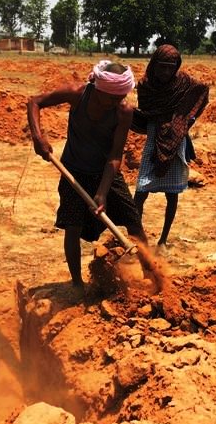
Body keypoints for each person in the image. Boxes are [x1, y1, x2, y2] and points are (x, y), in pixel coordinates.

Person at [27, 60, 148, 288]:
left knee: (134, 222)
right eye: (112, 97)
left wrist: (102, 192)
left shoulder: (123, 111)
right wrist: (38, 137)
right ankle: (77, 284)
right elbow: (35, 102)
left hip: (105, 173)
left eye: (120, 96)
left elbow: (114, 156)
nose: (117, 101)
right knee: (72, 227)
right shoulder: (77, 94)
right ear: (99, 88)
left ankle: (151, 274)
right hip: (73, 171)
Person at [131, 44, 210, 248]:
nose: (166, 72)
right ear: (154, 64)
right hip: (154, 138)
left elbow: (202, 92)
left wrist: (186, 120)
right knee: (141, 191)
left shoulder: (184, 82)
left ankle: (163, 240)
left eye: (171, 67)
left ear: (177, 66)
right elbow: (146, 110)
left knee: (172, 193)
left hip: (177, 141)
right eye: (162, 66)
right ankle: (137, 239)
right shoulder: (146, 85)